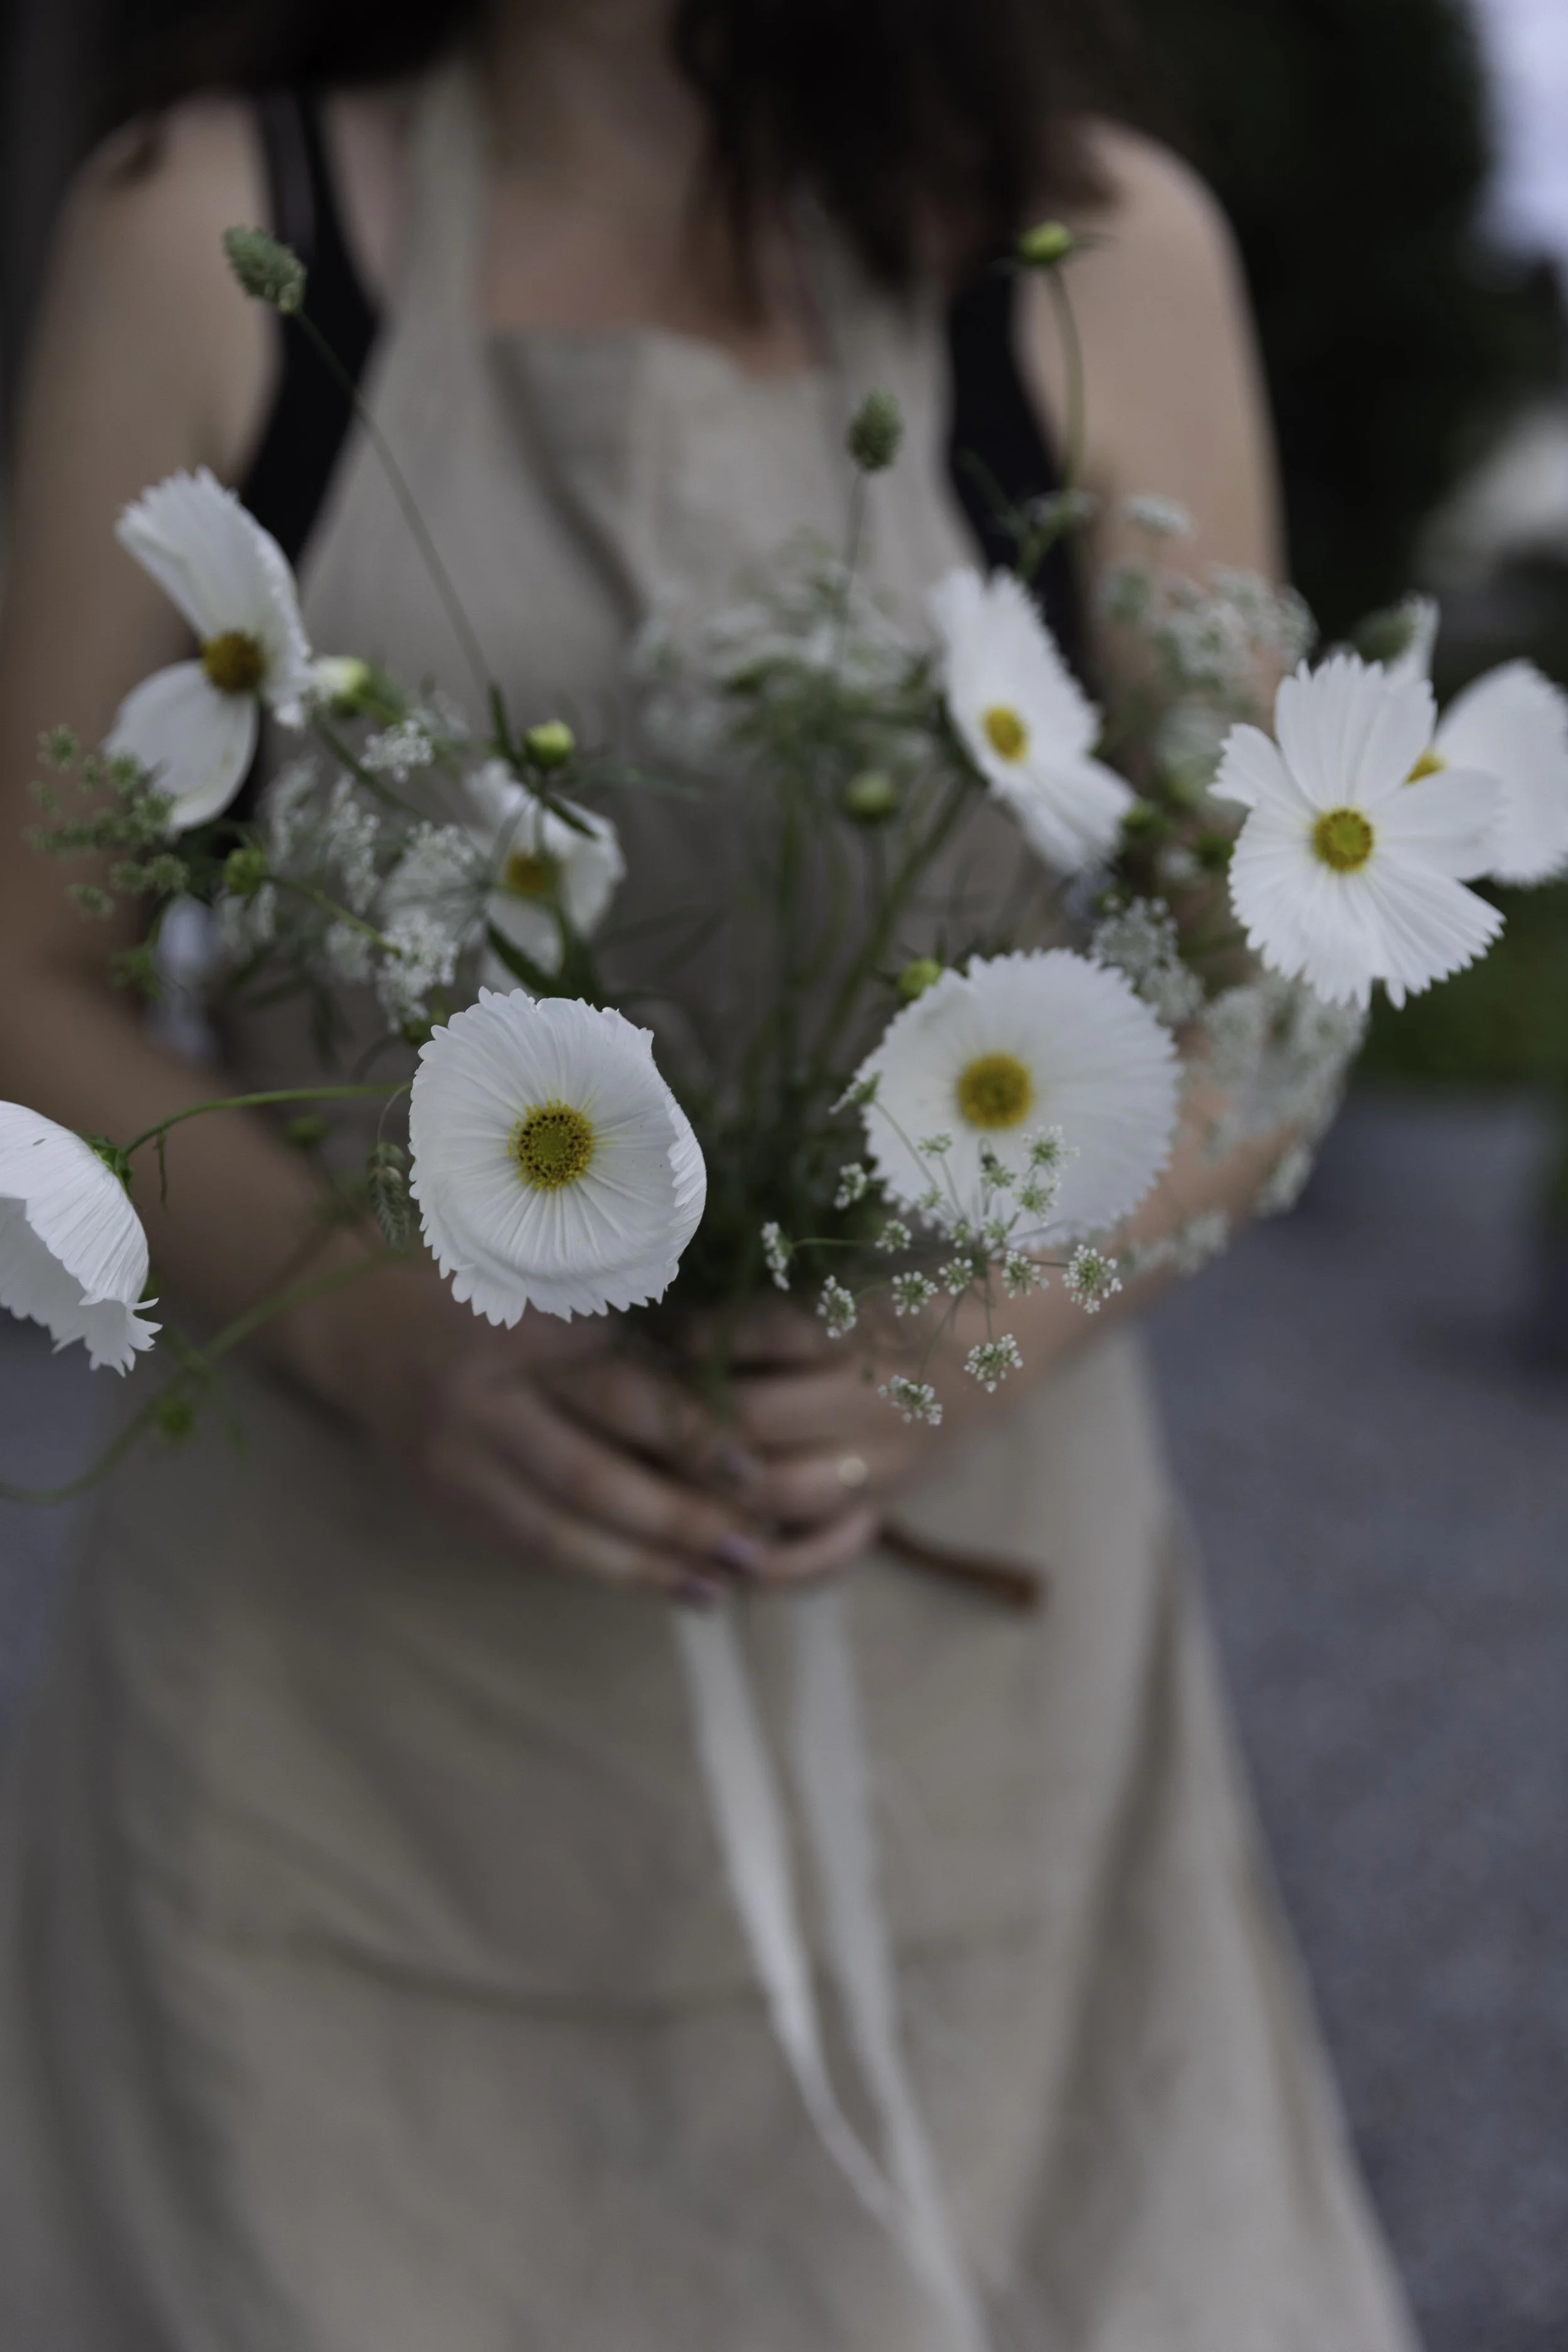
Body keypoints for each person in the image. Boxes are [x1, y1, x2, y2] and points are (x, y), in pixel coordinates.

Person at [0, 2, 1419, 2344]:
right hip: (338, 1730)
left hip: (962, 1710)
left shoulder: (1090, 253)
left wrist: (985, 1311)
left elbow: (1276, 958)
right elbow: (23, 974)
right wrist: (373, 1322)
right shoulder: (209, 230)